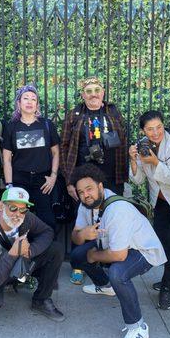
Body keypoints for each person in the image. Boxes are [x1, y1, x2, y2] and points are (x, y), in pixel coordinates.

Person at [69, 163, 167, 338]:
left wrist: (93, 255)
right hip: (113, 245)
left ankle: (137, 327)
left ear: (100, 186)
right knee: (76, 256)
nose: (85, 195)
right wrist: (82, 236)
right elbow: (75, 236)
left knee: (118, 273)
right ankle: (105, 287)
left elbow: (118, 255)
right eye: (81, 192)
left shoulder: (117, 209)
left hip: (142, 250)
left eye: (89, 189)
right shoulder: (85, 205)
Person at [60, 76, 128, 285]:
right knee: (81, 221)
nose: (93, 94)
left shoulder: (113, 112)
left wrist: (124, 176)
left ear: (103, 93)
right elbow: (64, 148)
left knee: (110, 219)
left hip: (110, 177)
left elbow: (124, 141)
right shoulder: (74, 115)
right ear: (83, 95)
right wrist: (69, 181)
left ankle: (107, 262)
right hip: (82, 181)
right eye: (88, 91)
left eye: (97, 90)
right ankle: (78, 264)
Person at [0, 186, 65, 327]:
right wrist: (13, 253)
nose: (18, 214)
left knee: (56, 249)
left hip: (16, 265)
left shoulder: (26, 218)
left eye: (23, 209)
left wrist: (30, 251)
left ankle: (41, 300)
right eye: (12, 208)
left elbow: (47, 232)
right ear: (1, 206)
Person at [128, 110, 170, 310]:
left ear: (164, 125)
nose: (155, 133)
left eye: (159, 127)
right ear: (143, 130)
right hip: (160, 202)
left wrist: (155, 163)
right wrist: (133, 159)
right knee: (163, 243)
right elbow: (137, 180)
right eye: (149, 129)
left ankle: (166, 287)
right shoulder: (142, 145)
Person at [2, 85, 60, 230]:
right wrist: (9, 185)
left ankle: (44, 250)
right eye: (25, 98)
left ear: (37, 104)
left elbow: (56, 153)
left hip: (43, 181)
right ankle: (21, 250)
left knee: (47, 221)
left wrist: (53, 176)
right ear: (19, 103)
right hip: (20, 179)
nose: (29, 102)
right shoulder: (11, 127)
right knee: (18, 221)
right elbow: (7, 159)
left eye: (33, 99)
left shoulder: (47, 124)